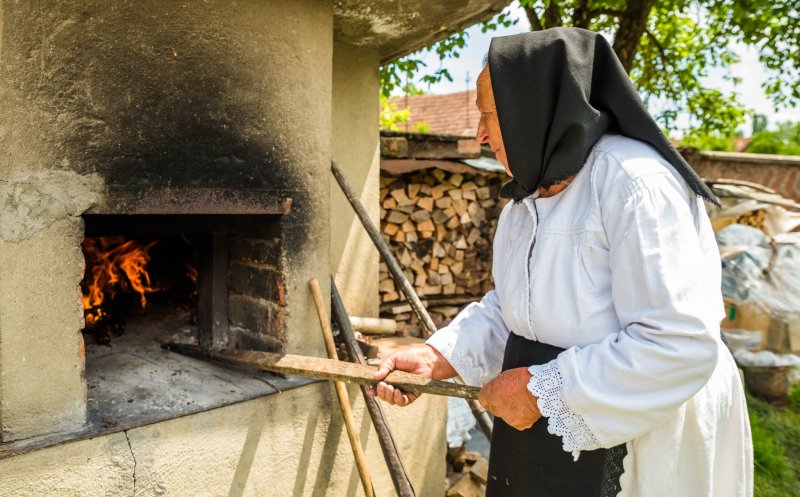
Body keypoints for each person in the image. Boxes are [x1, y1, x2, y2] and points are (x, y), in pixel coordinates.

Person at [368, 28, 753, 497]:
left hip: (640, 424)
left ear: (534, 107)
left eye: (490, 114)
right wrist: (438, 356)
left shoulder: (634, 183)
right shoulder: (527, 200)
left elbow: (678, 342)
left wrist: (540, 390)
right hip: (555, 415)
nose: (481, 134)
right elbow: (516, 308)